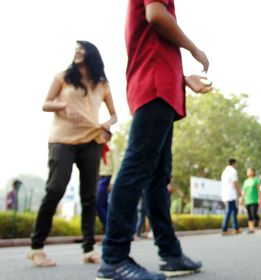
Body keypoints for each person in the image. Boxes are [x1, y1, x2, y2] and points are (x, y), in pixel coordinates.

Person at [97, 1, 212, 279]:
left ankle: (170, 253)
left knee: (157, 177)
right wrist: (194, 48)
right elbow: (156, 16)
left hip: (161, 86)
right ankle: (114, 257)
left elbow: (154, 45)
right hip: (155, 87)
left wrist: (183, 79)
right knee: (137, 168)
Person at [27, 41, 117, 267]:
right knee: (55, 189)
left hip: (91, 141)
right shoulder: (63, 77)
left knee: (90, 197)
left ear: (92, 54)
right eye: (76, 49)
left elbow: (114, 115)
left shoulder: (102, 84)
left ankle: (89, 249)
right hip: (62, 140)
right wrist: (62, 107)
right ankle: (36, 248)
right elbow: (45, 104)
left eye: (82, 49)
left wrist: (107, 124)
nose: (77, 52)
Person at [96, 143, 118, 231]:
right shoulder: (96, 148)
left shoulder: (112, 147)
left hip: (107, 177)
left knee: (99, 204)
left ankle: (111, 230)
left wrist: (112, 182)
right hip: (97, 177)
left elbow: (117, 166)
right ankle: (109, 232)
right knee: (103, 206)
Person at [221, 159, 242, 235]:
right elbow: (234, 184)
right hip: (231, 195)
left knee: (233, 211)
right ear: (234, 163)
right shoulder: (233, 171)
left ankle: (236, 228)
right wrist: (240, 192)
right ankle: (224, 229)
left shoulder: (224, 172)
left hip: (225, 194)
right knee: (229, 211)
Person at [241, 168, 261, 234]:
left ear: (253, 172)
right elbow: (243, 191)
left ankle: (254, 227)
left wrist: (260, 198)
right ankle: (251, 228)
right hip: (247, 200)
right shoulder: (246, 181)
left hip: (254, 200)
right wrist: (241, 198)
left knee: (253, 214)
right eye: (247, 171)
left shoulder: (256, 180)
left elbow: (259, 190)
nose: (248, 172)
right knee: (249, 215)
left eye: (250, 171)